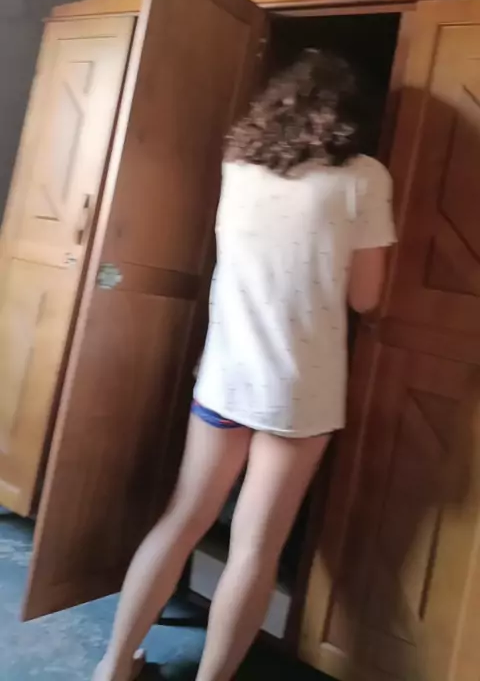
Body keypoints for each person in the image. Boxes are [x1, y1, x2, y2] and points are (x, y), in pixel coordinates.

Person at [93, 49, 396, 681]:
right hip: (299, 392)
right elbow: (366, 298)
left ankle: (115, 666)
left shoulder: (239, 164)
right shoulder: (364, 177)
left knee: (182, 518)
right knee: (255, 548)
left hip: (225, 377)